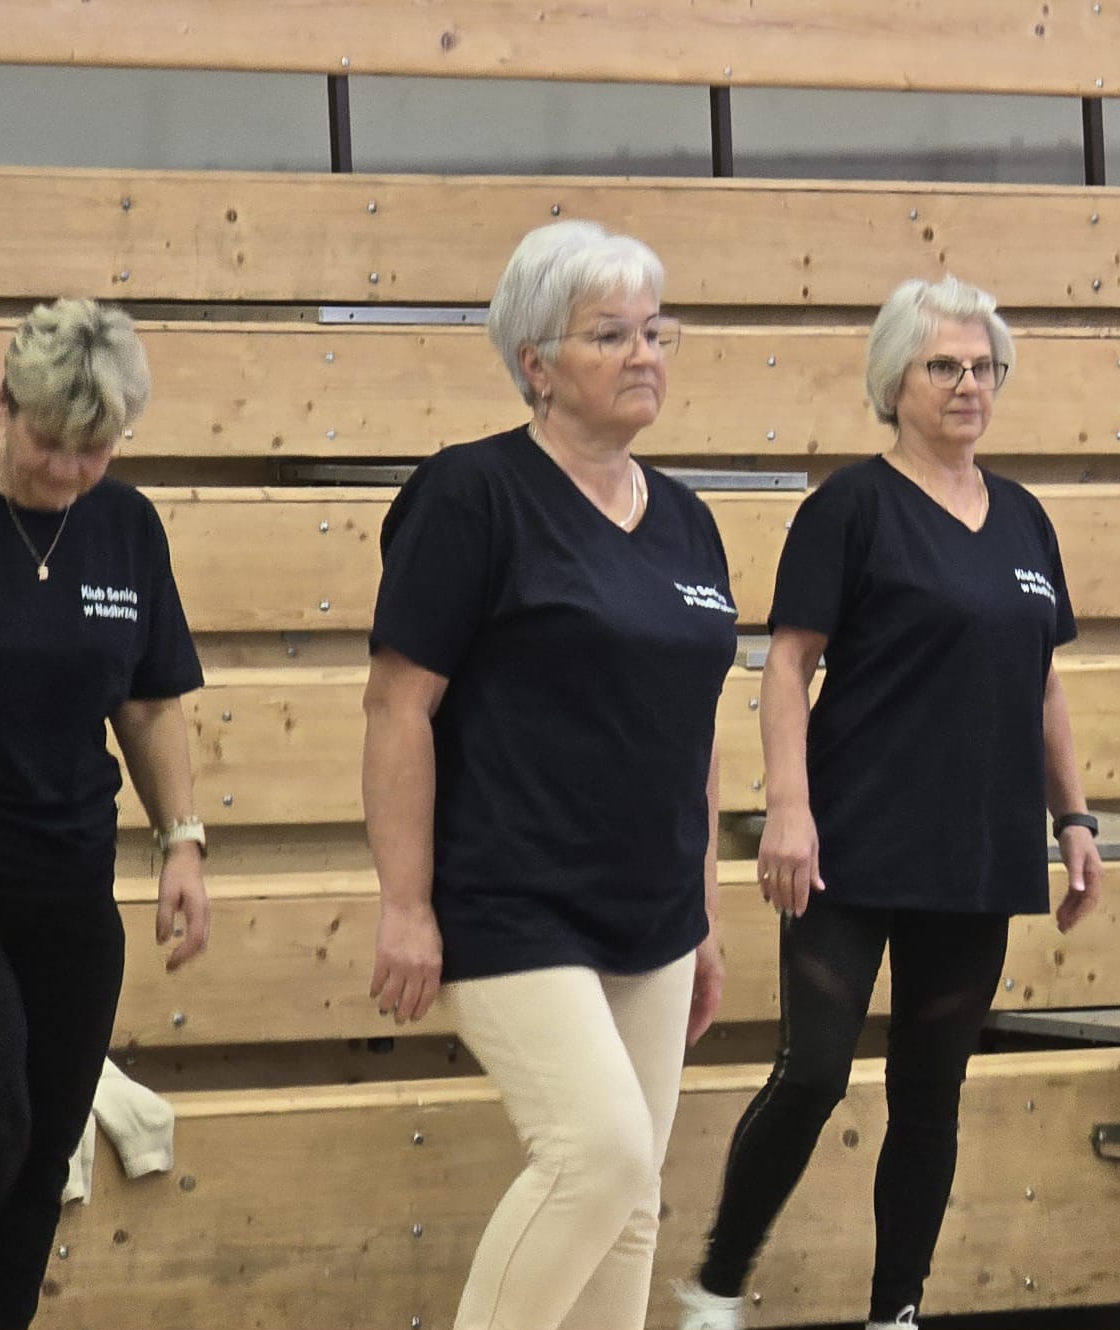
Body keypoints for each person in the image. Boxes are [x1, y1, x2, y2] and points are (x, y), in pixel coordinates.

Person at [677, 277, 1106, 1330]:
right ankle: (717, 1286)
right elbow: (788, 666)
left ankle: (895, 1312)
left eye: (984, 367)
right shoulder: (851, 508)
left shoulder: (1025, 518)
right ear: (894, 381)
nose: (969, 384)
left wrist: (1075, 819)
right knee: (814, 1071)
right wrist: (788, 808)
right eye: (944, 366)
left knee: (931, 1089)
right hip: (855, 836)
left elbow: (1043, 682)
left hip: (978, 845)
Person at [365, 220, 737, 1330]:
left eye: (655, 332)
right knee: (598, 1156)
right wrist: (405, 904)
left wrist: (706, 917)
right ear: (536, 362)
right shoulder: (472, 495)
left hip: (655, 910)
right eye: (610, 335)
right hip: (510, 897)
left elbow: (695, 731)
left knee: (631, 1203)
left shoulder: (688, 521)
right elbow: (398, 707)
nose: (644, 355)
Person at [0, 300, 210, 1330]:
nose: (68, 471)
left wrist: (182, 841)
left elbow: (148, 702)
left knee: (44, 1154)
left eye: (95, 450)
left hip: (71, 888)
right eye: (49, 442)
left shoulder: (126, 528)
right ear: (2, 404)